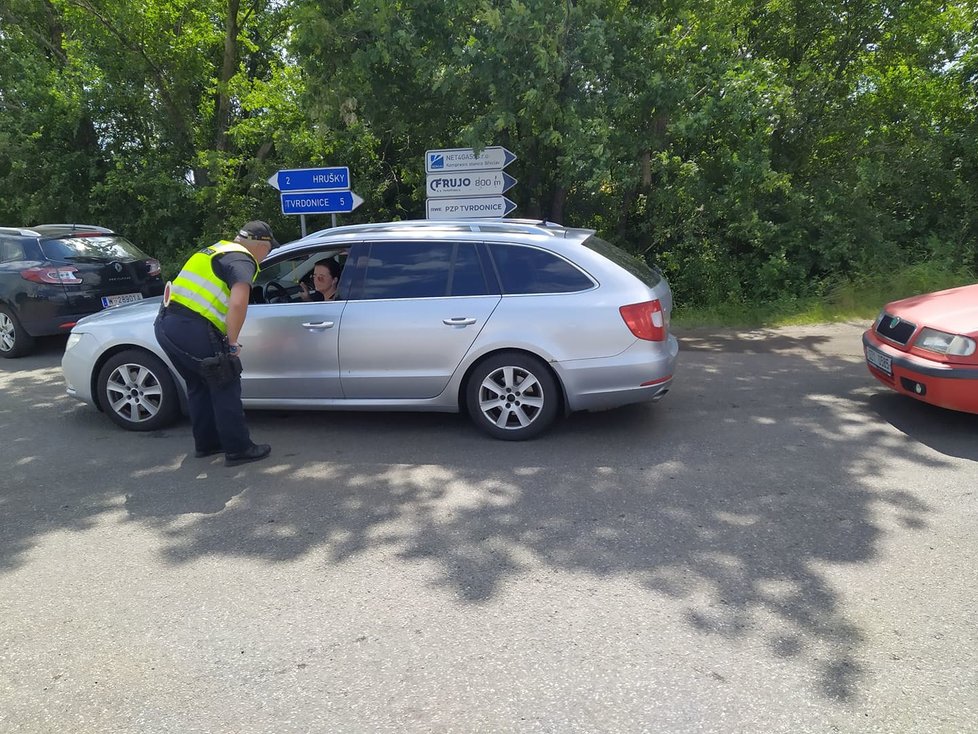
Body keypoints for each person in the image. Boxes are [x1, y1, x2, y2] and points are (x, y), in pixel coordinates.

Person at [154, 220, 278, 467]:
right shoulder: (242, 259)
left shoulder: (214, 250)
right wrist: (232, 343)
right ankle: (239, 448)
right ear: (259, 244)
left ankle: (207, 444)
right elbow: (238, 303)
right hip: (193, 327)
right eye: (269, 249)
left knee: (199, 383)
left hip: (167, 324)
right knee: (226, 380)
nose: (268, 255)